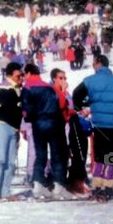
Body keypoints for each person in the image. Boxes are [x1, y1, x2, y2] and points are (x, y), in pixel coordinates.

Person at [72, 54, 113, 201]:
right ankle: (108, 186)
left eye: (94, 63)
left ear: (98, 63)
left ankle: (97, 186)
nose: (93, 66)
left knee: (99, 155)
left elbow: (76, 94)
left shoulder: (90, 81)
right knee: (110, 155)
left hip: (99, 124)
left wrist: (80, 109)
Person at [22, 64, 72, 199]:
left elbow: (26, 109)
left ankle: (38, 185)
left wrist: (30, 119)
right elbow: (62, 104)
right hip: (55, 123)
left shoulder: (27, 87)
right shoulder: (49, 87)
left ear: (28, 73)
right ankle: (58, 186)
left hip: (38, 124)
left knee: (40, 155)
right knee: (58, 155)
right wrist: (62, 91)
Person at [0, 63, 25, 201]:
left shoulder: (19, 90)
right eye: (18, 76)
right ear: (9, 75)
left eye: (22, 75)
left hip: (13, 128)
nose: (21, 78)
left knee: (10, 162)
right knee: (0, 158)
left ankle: (5, 191)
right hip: (1, 125)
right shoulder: (3, 88)